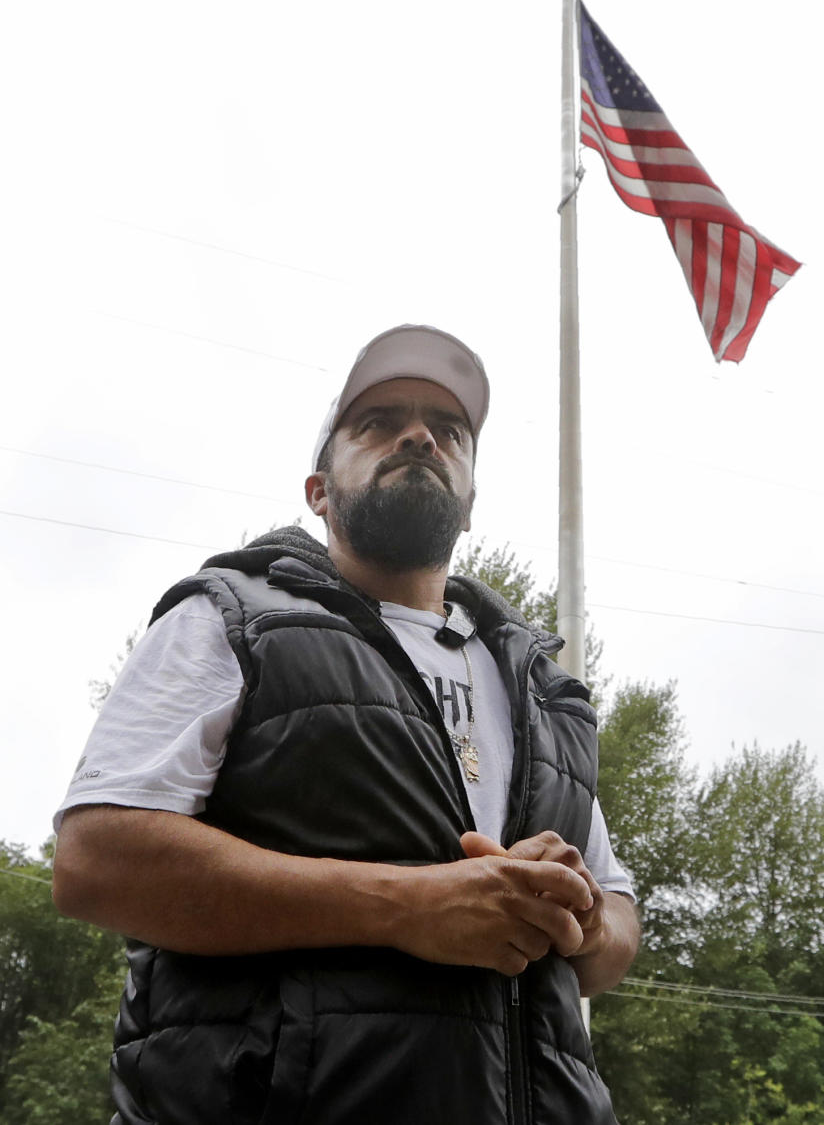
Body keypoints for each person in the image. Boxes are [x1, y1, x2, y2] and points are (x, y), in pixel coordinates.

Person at [53, 324, 640, 1125]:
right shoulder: (230, 617)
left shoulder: (542, 690)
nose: (420, 435)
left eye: (449, 428)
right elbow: (98, 859)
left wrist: (573, 911)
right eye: (378, 421)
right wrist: (407, 905)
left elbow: (616, 926)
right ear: (320, 489)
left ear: (469, 502)